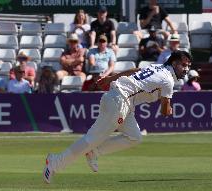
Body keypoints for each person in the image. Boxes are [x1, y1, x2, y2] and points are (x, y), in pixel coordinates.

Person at [43, 50, 192, 184]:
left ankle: (94, 152)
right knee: (91, 139)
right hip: (120, 101)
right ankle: (55, 162)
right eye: (183, 65)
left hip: (122, 101)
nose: (186, 69)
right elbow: (165, 111)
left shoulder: (157, 67)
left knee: (135, 137)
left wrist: (110, 78)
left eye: (188, 66)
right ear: (174, 63)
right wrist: (169, 109)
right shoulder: (168, 81)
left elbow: (135, 70)